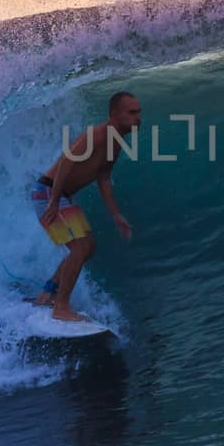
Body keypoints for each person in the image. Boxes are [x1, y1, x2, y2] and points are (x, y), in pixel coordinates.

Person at [28, 91, 140, 321]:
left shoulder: (116, 143)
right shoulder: (97, 135)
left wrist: (116, 214)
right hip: (48, 192)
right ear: (114, 114)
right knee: (80, 247)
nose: (138, 117)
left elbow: (104, 179)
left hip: (60, 195)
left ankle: (47, 294)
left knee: (88, 247)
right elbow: (66, 163)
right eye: (132, 112)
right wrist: (54, 201)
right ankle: (61, 307)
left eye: (139, 112)